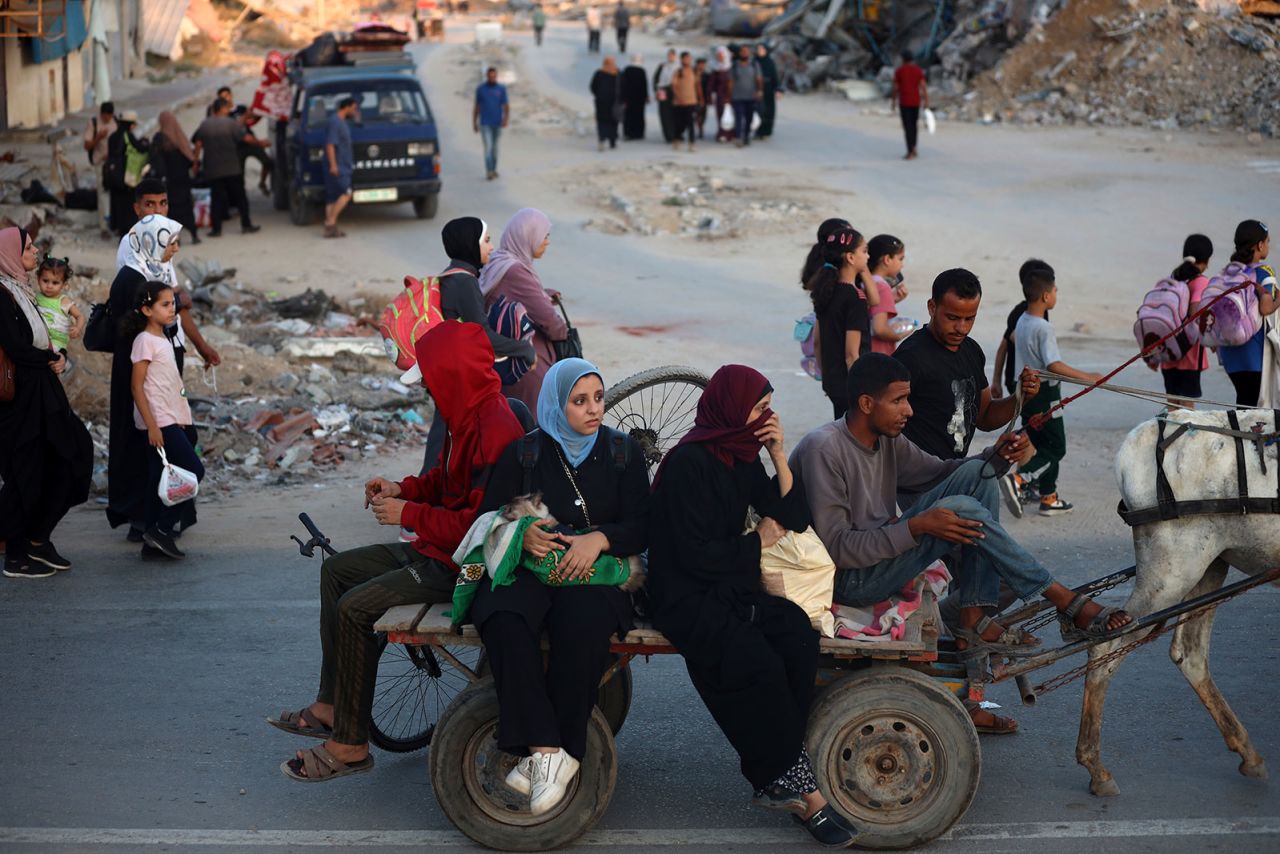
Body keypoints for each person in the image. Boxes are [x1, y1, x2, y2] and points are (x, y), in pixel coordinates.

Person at [789, 354, 1133, 734]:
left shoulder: (888, 441)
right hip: (850, 580)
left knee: (978, 476)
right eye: (899, 400)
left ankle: (973, 617)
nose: (909, 410)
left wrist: (997, 457)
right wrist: (917, 526)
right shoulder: (824, 449)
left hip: (880, 559)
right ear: (868, 404)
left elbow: (942, 473)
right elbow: (838, 548)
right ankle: (1060, 598)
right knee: (960, 506)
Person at [273, 323, 526, 782]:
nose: (426, 386)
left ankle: (350, 745)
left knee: (355, 608)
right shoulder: (462, 414)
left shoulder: (495, 429)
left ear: (452, 375)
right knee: (338, 571)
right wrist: (402, 488)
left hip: (462, 566)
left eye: (429, 377)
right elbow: (442, 484)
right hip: (437, 548)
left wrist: (409, 513)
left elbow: (481, 529)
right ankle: (331, 704)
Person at [648, 365, 860, 847]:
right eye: (760, 408)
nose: (768, 416)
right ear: (731, 407)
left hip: (730, 580)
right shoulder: (687, 464)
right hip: (684, 593)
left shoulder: (739, 457)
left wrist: (778, 453)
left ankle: (784, 767)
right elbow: (691, 556)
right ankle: (805, 794)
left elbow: (794, 516)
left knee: (797, 636)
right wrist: (758, 542)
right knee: (755, 662)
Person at [471, 358, 649, 813]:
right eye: (579, 401)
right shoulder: (525, 454)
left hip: (595, 576)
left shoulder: (623, 453)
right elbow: (490, 517)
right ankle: (549, 753)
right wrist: (521, 532)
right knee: (503, 614)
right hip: (532, 571)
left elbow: (645, 526)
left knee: (581, 625)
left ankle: (555, 749)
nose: (594, 410)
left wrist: (600, 539)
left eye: (598, 398)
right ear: (554, 403)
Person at [0, 227, 92, 578]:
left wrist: (62, 355)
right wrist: (47, 359)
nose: (35, 250)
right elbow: (18, 346)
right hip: (22, 396)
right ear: (10, 253)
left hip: (43, 388)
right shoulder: (3, 294)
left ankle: (38, 538)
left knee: (74, 455)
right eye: (27, 246)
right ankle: (16, 553)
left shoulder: (23, 289)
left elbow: (48, 336)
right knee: (27, 470)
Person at [416, 217, 537, 479]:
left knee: (448, 434)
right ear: (470, 244)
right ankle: (421, 498)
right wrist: (523, 349)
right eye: (487, 240)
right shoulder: (463, 282)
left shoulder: (456, 278)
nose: (491, 248)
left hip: (446, 369)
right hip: (454, 374)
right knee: (443, 437)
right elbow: (482, 336)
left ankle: (434, 492)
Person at [893, 269, 1039, 471]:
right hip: (917, 477)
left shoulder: (971, 350)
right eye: (952, 318)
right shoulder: (910, 356)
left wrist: (1020, 397)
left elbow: (985, 417)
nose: (961, 328)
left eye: (969, 318)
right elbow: (883, 422)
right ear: (932, 307)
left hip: (953, 469)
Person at [122, 281, 204, 560]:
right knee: (193, 472)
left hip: (170, 418)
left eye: (173, 303)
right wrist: (153, 425)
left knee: (158, 479)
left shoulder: (163, 338)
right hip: (159, 421)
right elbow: (137, 387)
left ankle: (151, 542)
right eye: (165, 305)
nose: (172, 309)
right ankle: (163, 529)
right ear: (147, 309)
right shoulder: (144, 341)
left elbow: (167, 384)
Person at [1013, 261, 1102, 516]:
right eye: (1055, 291)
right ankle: (1020, 479)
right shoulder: (1044, 327)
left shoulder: (1022, 320)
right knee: (1056, 448)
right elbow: (1053, 365)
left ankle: (1049, 498)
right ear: (1045, 295)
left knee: (1045, 446)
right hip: (1045, 395)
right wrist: (1089, 378)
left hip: (1028, 393)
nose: (1056, 295)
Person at [114, 185, 222, 376]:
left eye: (163, 203)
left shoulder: (161, 245)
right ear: (137, 208)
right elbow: (141, 307)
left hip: (172, 341)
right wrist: (179, 301)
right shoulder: (133, 250)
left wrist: (201, 346)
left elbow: (175, 300)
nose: (158, 211)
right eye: (150, 204)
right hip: (149, 350)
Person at [479, 208, 565, 417]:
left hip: (505, 361)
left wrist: (542, 295)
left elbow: (510, 297)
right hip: (527, 368)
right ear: (529, 236)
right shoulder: (515, 271)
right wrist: (564, 332)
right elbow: (550, 323)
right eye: (544, 236)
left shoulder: (500, 260)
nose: (547, 242)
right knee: (535, 432)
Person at [804, 224, 873, 418]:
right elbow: (852, 354)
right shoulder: (855, 297)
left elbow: (817, 342)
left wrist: (826, 378)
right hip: (852, 386)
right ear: (851, 257)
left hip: (833, 382)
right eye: (864, 251)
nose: (868, 257)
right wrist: (863, 390)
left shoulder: (825, 292)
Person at [1216, 220, 1276, 407]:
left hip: (1229, 354)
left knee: (1244, 403)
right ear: (1259, 245)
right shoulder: (1263, 272)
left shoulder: (1227, 273)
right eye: (1267, 241)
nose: (1268, 245)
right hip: (1254, 355)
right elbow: (1266, 308)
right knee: (1256, 412)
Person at [193, 98, 263, 237]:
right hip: (231, 167)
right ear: (223, 109)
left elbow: (198, 144)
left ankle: (217, 229)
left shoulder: (205, 124)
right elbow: (246, 139)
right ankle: (246, 224)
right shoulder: (231, 124)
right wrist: (260, 143)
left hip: (212, 169)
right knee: (240, 197)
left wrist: (195, 162)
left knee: (216, 198)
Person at [1158, 235, 1214, 410]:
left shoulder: (1173, 278)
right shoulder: (1201, 281)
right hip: (1189, 354)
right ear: (1207, 260)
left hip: (1168, 351)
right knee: (1188, 407)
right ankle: (1186, 438)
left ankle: (1170, 436)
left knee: (1172, 405)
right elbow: (1196, 314)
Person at [991, 259, 1052, 400]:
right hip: (1023, 379)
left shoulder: (1033, 312)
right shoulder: (1024, 314)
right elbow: (1005, 344)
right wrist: (996, 381)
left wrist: (996, 380)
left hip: (1023, 379)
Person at [148, 111, 201, 243]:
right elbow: (189, 158)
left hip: (169, 180)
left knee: (171, 209)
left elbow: (154, 159)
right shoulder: (179, 136)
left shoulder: (159, 138)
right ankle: (194, 234)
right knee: (186, 207)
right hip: (183, 178)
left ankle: (176, 238)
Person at [104, 110, 147, 237]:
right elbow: (140, 148)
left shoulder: (112, 137)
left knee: (116, 203)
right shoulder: (128, 136)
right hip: (126, 176)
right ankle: (126, 232)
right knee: (127, 205)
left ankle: (117, 227)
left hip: (113, 176)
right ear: (130, 124)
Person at [867, 234, 911, 355]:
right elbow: (879, 329)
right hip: (877, 354)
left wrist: (892, 300)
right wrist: (899, 335)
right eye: (900, 259)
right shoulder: (882, 287)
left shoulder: (867, 282)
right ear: (887, 259)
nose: (902, 265)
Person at [33, 256, 83, 358]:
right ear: (38, 279)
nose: (49, 286)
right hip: (38, 338)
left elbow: (80, 316)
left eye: (55, 283)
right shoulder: (35, 297)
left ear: (64, 285)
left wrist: (77, 328)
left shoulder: (64, 301)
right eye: (45, 281)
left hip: (57, 343)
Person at [323, 97, 357, 238]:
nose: (355, 111)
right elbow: (330, 144)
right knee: (347, 193)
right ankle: (330, 222)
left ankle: (331, 229)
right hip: (338, 166)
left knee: (332, 197)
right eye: (354, 108)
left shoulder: (340, 121)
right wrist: (333, 165)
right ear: (346, 107)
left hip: (340, 165)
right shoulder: (336, 122)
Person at [83, 101, 117, 239]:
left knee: (113, 194)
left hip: (113, 165)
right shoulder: (94, 123)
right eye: (105, 117)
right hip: (100, 164)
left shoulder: (116, 122)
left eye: (109, 116)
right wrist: (98, 138)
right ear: (101, 114)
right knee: (102, 195)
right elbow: (87, 145)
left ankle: (114, 222)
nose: (107, 119)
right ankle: (104, 227)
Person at [473, 68, 509, 181]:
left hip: (497, 123)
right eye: (490, 76)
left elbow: (506, 105)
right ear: (487, 76)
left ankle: (493, 169)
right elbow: (477, 107)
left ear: (496, 77)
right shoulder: (481, 89)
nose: (492, 78)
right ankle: (489, 171)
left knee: (495, 149)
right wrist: (474, 122)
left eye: (494, 76)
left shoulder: (501, 89)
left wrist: (505, 119)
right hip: (485, 123)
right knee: (488, 147)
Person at [890, 50, 927, 160]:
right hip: (916, 102)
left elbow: (896, 88)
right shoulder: (918, 70)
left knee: (907, 127)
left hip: (905, 102)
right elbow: (923, 86)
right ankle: (914, 147)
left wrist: (893, 101)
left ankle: (910, 151)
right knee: (914, 126)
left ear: (903, 59)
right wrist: (926, 101)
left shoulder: (899, 71)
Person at [728, 44, 762, 148]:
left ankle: (746, 136)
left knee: (749, 119)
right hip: (737, 96)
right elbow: (731, 81)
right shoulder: (735, 65)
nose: (745, 53)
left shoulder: (754, 64)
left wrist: (760, 90)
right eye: (743, 51)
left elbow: (759, 78)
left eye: (747, 51)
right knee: (738, 118)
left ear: (749, 53)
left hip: (751, 97)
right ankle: (738, 137)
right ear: (740, 53)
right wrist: (729, 95)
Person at [670, 51, 703, 152]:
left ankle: (691, 143)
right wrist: (679, 97)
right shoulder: (678, 72)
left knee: (690, 123)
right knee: (680, 123)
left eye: (689, 59)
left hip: (691, 101)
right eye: (685, 59)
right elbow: (674, 86)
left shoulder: (694, 71)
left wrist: (701, 98)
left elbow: (697, 86)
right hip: (679, 102)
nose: (687, 61)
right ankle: (676, 138)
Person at [589, 57, 621, 151]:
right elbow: (622, 86)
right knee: (613, 121)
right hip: (614, 102)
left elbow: (592, 86)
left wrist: (598, 95)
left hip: (601, 102)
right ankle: (612, 141)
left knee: (602, 121)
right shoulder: (617, 73)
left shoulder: (599, 73)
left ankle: (602, 139)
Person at [619, 54, 649, 141]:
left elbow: (623, 84)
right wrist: (646, 96)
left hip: (629, 97)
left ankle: (628, 133)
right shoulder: (642, 71)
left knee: (628, 115)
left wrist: (623, 96)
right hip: (639, 98)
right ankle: (638, 133)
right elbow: (644, 85)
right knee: (639, 115)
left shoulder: (627, 70)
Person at [754, 44, 779, 140]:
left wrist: (778, 89)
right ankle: (757, 130)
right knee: (757, 110)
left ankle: (766, 131)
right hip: (756, 89)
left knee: (768, 111)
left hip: (768, 90)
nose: (760, 51)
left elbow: (774, 77)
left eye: (762, 49)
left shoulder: (770, 62)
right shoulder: (754, 61)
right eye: (758, 49)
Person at [653, 48, 678, 143]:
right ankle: (668, 135)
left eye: (672, 55)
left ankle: (676, 133)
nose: (670, 57)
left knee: (675, 113)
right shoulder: (663, 66)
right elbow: (656, 79)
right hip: (663, 90)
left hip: (675, 91)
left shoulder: (678, 67)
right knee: (664, 113)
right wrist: (656, 90)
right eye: (669, 55)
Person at [710, 47, 733, 143]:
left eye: (722, 55)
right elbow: (711, 83)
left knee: (728, 115)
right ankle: (722, 133)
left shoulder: (730, 68)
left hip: (729, 95)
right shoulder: (715, 68)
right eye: (718, 55)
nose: (720, 57)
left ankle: (728, 134)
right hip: (719, 96)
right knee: (720, 115)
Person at [694, 57, 711, 140]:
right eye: (700, 64)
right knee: (696, 115)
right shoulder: (693, 74)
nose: (701, 66)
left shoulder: (707, 75)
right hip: (694, 98)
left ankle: (701, 129)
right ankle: (697, 130)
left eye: (703, 64)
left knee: (703, 116)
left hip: (705, 98)